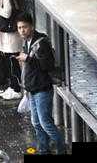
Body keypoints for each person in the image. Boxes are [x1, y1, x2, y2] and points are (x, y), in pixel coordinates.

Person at [15, 13, 66, 155]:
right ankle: (44, 149)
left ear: (31, 26)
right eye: (19, 28)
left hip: (43, 89)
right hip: (32, 89)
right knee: (36, 123)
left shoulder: (41, 42)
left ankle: (62, 149)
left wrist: (28, 59)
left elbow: (47, 65)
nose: (21, 30)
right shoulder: (26, 41)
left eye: (24, 27)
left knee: (45, 123)